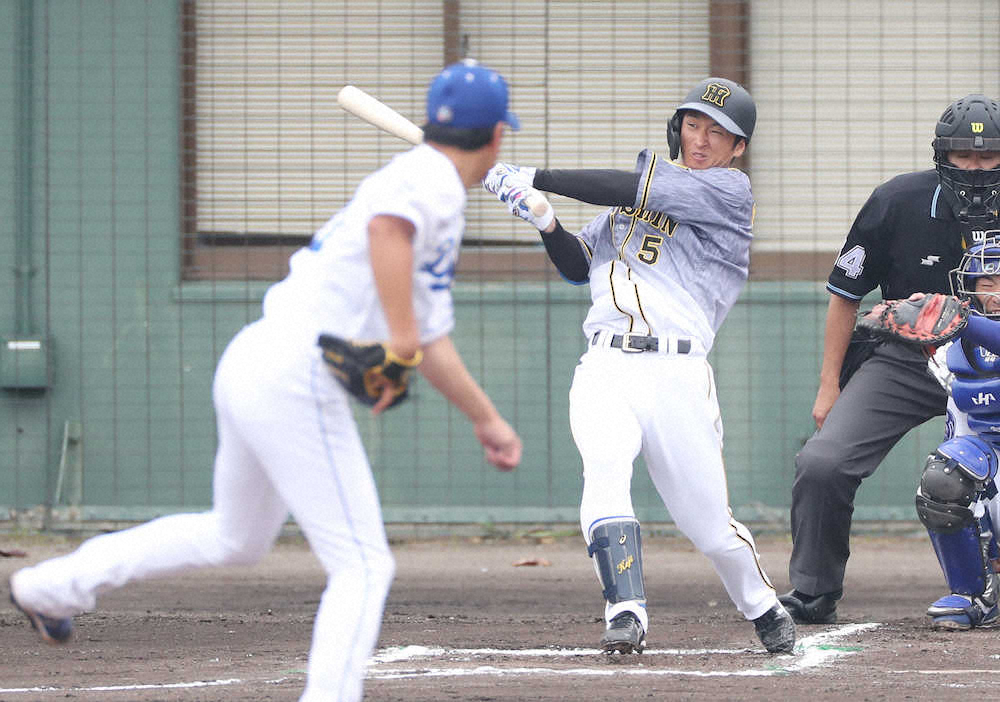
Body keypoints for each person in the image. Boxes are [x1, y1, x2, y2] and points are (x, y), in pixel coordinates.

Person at [8, 60, 523, 702]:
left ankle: (52, 588)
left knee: (235, 536)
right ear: (498, 136)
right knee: (363, 566)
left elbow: (428, 336)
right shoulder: (434, 181)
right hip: (295, 376)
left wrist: (486, 417)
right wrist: (400, 339)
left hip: (257, 358)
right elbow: (389, 236)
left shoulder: (422, 179)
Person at [483, 77, 796, 655]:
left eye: (719, 132)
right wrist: (545, 218)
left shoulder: (730, 192)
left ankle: (762, 605)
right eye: (695, 124)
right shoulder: (626, 209)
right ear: (678, 126)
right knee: (604, 468)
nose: (702, 139)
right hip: (605, 364)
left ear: (737, 148)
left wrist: (537, 176)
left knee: (709, 528)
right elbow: (580, 266)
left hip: (677, 373)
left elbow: (631, 188)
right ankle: (625, 610)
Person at [780, 94, 1000, 625]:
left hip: (997, 361)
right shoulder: (897, 201)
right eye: (962, 156)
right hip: (910, 359)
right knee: (822, 462)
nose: (975, 168)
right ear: (940, 155)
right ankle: (814, 589)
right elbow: (845, 293)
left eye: (988, 156)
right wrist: (829, 384)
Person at [915, 240, 1000, 630]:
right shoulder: (954, 349)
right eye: (987, 282)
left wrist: (965, 321)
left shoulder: (966, 326)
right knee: (946, 475)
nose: (996, 293)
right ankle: (976, 594)